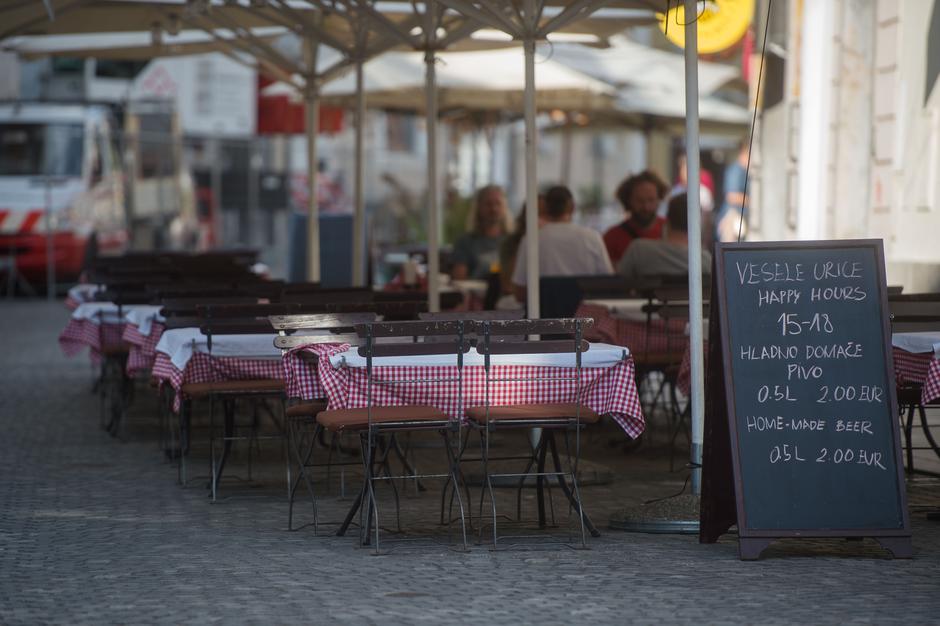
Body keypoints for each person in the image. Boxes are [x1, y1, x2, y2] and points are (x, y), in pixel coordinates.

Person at [511, 185, 613, 302]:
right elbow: (609, 283)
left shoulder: (531, 239)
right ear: (573, 207)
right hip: (586, 310)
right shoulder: (592, 238)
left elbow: (519, 293)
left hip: (545, 311)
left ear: (545, 208)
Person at [617, 193, 712, 281]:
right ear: (697, 225)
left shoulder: (638, 250)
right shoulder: (704, 260)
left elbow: (618, 284)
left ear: (667, 221)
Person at [603, 170, 669, 266]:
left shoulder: (673, 231)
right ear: (628, 201)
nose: (646, 207)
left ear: (659, 199)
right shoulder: (612, 237)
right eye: (640, 201)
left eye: (651, 200)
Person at [451, 184, 511, 280]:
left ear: (504, 207)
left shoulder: (513, 240)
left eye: (498, 203)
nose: (494, 209)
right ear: (478, 207)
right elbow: (459, 279)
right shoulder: (465, 242)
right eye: (488, 204)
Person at [716, 141, 749, 243]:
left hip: (742, 220)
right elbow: (731, 197)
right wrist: (753, 201)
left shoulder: (747, 172)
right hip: (731, 218)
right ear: (743, 152)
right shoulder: (735, 171)